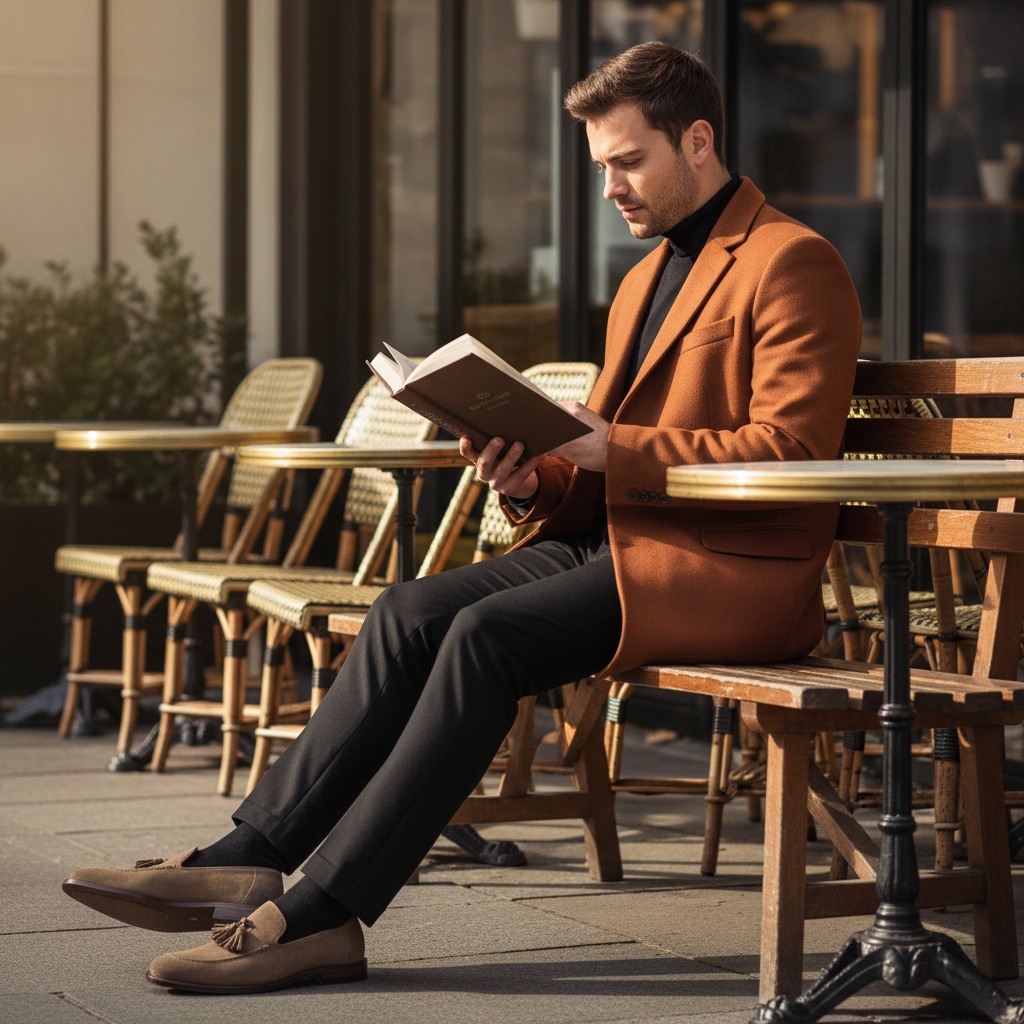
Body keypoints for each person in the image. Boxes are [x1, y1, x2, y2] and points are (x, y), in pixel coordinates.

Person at [62, 42, 862, 994]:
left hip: (735, 570)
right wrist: (529, 475)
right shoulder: (648, 280)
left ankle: (322, 916)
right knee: (407, 613)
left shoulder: (792, 261)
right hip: (621, 543)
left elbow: (793, 458)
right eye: (599, 166)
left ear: (698, 141)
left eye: (627, 161)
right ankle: (246, 853)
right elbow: (599, 477)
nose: (610, 187)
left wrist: (617, 449)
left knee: (485, 637)